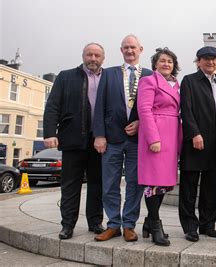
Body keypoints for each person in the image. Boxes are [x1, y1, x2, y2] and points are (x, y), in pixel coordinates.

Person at [93, 34, 153, 242]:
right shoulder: (108, 74)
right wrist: (99, 135)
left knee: (135, 184)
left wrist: (141, 124)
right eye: (126, 47)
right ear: (121, 50)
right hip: (111, 139)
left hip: (138, 140)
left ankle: (129, 225)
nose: (129, 51)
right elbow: (99, 106)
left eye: (133, 47)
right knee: (109, 183)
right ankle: (113, 225)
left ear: (140, 49)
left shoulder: (149, 75)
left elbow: (154, 109)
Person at [43, 43, 105, 239]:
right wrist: (49, 133)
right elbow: (53, 106)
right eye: (89, 54)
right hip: (72, 138)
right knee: (70, 185)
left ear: (102, 58)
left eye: (97, 55)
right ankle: (67, 225)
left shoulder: (108, 78)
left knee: (97, 184)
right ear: (83, 56)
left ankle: (95, 222)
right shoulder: (66, 76)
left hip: (100, 141)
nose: (93, 58)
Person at [179, 46, 216, 242]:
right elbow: (186, 110)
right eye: (206, 59)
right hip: (196, 141)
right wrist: (194, 133)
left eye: (214, 59)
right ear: (198, 61)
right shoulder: (189, 81)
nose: (211, 62)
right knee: (189, 187)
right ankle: (190, 227)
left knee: (211, 187)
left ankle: (208, 225)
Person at [137, 48, 181, 246]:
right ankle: (155, 224)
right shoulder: (148, 81)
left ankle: (148, 221)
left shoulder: (176, 84)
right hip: (155, 135)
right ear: (155, 63)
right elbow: (144, 109)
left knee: (164, 182)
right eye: (162, 61)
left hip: (171, 136)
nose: (166, 64)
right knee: (153, 183)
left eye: (169, 61)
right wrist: (152, 138)